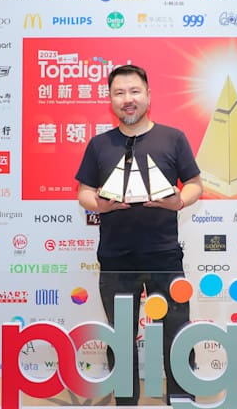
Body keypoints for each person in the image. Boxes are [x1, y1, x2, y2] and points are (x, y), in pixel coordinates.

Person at [75, 64, 203, 405]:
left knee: (177, 332)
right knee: (120, 337)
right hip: (116, 258)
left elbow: (194, 184)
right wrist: (99, 205)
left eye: (134, 91)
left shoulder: (173, 138)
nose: (127, 99)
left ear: (148, 95)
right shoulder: (99, 144)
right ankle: (126, 401)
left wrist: (178, 201)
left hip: (164, 255)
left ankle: (182, 399)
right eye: (119, 93)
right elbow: (84, 192)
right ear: (110, 99)